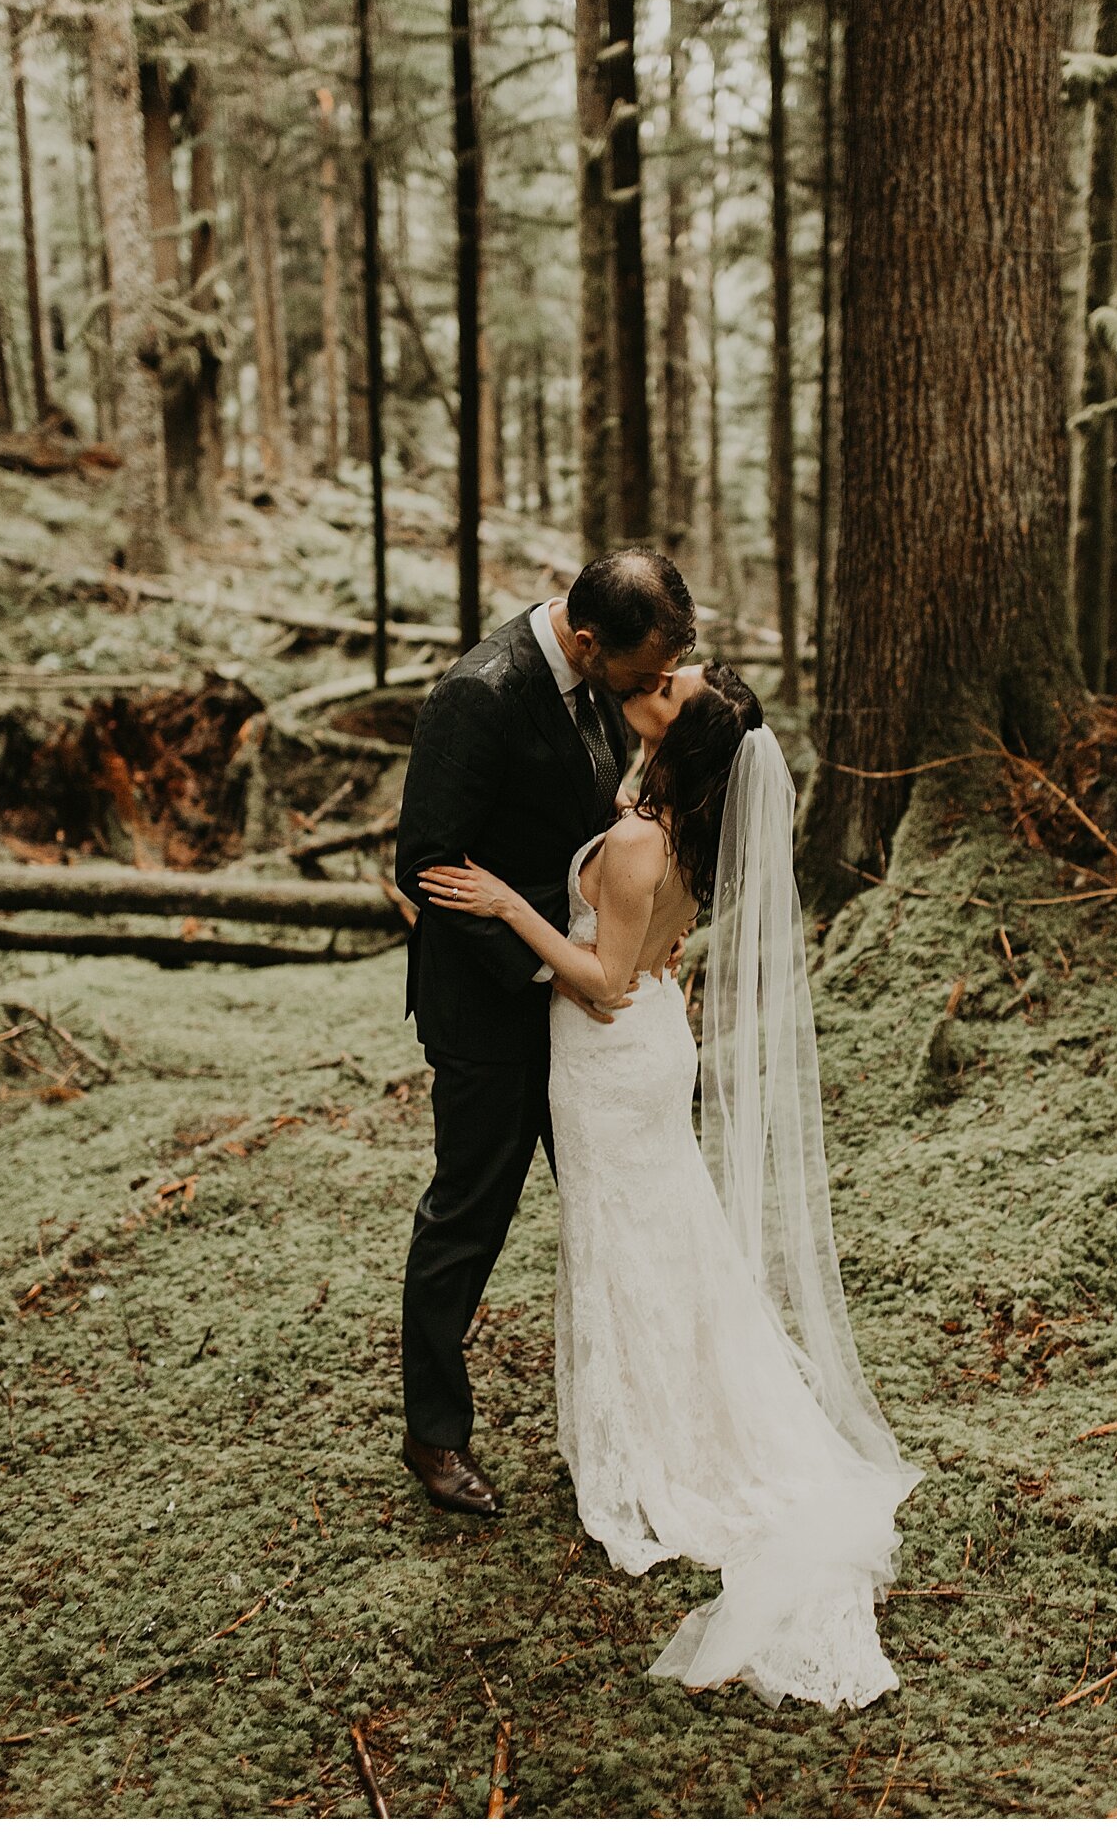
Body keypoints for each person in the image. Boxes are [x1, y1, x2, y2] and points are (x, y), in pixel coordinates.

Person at [419, 661, 925, 1712]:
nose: (656, 678)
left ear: (677, 729)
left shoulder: (647, 834)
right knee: (659, 1235)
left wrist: (512, 901)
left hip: (611, 1053)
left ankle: (659, 1441)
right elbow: (645, 942)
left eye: (670, 682)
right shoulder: (673, 818)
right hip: (647, 1041)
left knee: (629, 1241)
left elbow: (601, 982)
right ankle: (662, 1407)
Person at [394, 549, 697, 1518]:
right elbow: (430, 863)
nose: (654, 689)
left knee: (621, 1211)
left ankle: (638, 1418)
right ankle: (435, 1436)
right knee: (467, 1217)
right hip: (490, 1011)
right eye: (642, 672)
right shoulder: (476, 695)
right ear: (583, 638)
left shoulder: (606, 683)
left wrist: (624, 937)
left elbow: (593, 826)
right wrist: (553, 949)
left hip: (586, 1016)